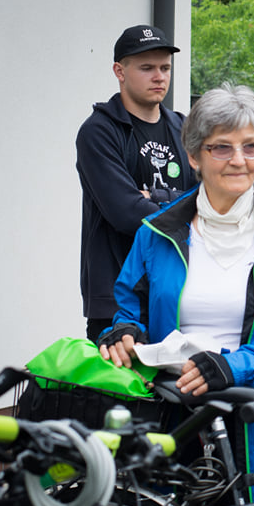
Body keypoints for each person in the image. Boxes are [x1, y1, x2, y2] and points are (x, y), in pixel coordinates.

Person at [98, 84, 254, 506]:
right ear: (193, 156)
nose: (238, 160)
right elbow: (128, 304)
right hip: (174, 421)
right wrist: (123, 330)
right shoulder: (155, 233)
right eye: (222, 148)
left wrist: (233, 365)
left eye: (251, 147)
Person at [76, 25, 194, 342]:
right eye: (147, 68)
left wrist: (154, 196)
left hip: (176, 294)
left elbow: (210, 200)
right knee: (120, 393)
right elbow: (127, 214)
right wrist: (183, 203)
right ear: (120, 71)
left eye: (165, 68)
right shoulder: (99, 132)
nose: (159, 77)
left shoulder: (183, 128)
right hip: (116, 304)